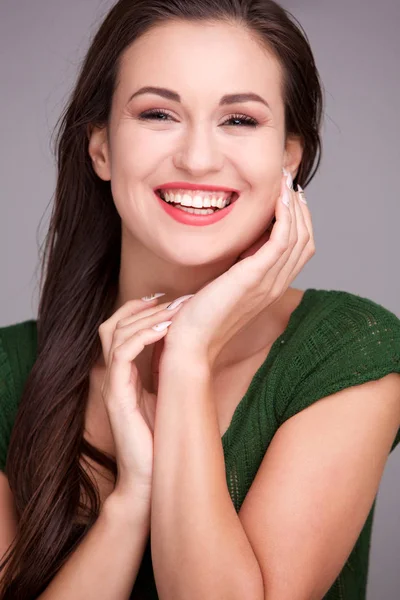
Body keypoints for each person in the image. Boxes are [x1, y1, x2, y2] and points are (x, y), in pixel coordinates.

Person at [0, 0, 399, 598]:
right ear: (101, 147)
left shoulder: (348, 347)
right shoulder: (8, 372)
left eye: (239, 120)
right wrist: (131, 504)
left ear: (289, 157)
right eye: (158, 113)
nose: (198, 158)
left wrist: (187, 354)